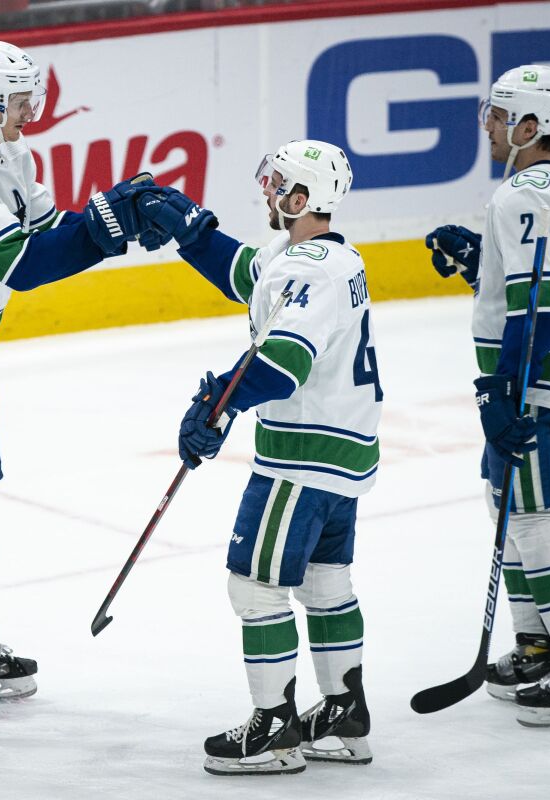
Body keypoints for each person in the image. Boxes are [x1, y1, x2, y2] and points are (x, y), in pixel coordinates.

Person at [0, 38, 165, 703]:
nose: (29, 112)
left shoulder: (12, 151)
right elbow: (19, 264)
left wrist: (120, 222)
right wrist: (105, 226)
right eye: (18, 102)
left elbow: (50, 235)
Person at [135, 140, 380, 775]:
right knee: (327, 583)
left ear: (301, 199)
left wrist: (220, 401)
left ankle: (274, 731)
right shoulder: (324, 256)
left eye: (277, 188)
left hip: (300, 459)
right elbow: (248, 275)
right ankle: (344, 713)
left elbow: (282, 363)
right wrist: (191, 230)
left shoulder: (309, 270)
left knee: (256, 584)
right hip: (344, 451)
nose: (268, 195)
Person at [425, 64, 550, 727]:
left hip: (545, 370)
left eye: (499, 114)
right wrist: (482, 259)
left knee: (538, 521)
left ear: (530, 126)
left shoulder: (522, 194)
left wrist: (507, 388)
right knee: (504, 499)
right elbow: (541, 271)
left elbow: (544, 303)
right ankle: (539, 644)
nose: (488, 123)